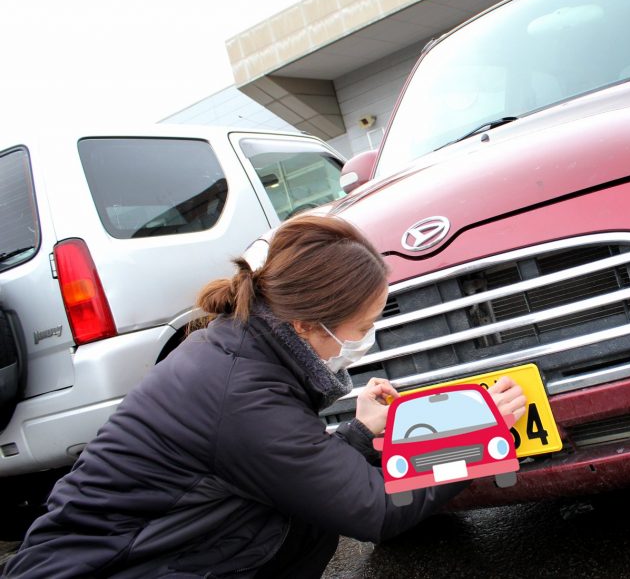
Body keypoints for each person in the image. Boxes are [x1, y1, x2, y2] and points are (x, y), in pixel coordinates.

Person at [4, 215, 526, 578]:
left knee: (301, 515)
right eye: (361, 328)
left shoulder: (241, 349)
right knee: (304, 520)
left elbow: (291, 467)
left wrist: (360, 433)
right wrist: (478, 436)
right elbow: (374, 510)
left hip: (126, 553)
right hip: (103, 570)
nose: (364, 343)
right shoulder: (241, 391)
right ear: (305, 324)